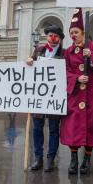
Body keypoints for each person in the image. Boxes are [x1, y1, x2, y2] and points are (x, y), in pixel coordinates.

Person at [60, 7, 93, 175]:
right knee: (73, 126)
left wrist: (92, 56)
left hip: (92, 95)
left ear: (83, 32)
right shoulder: (68, 52)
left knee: (91, 126)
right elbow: (65, 72)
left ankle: (87, 159)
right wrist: (76, 78)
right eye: (71, 32)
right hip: (75, 95)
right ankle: (74, 159)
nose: (73, 35)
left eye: (76, 32)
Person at [26, 25, 65, 172]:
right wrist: (28, 60)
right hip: (39, 98)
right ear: (47, 37)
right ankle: (38, 158)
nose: (53, 38)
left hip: (55, 98)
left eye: (56, 36)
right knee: (37, 128)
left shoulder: (64, 53)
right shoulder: (39, 50)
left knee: (54, 130)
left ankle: (50, 159)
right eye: (50, 35)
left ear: (60, 39)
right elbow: (29, 66)